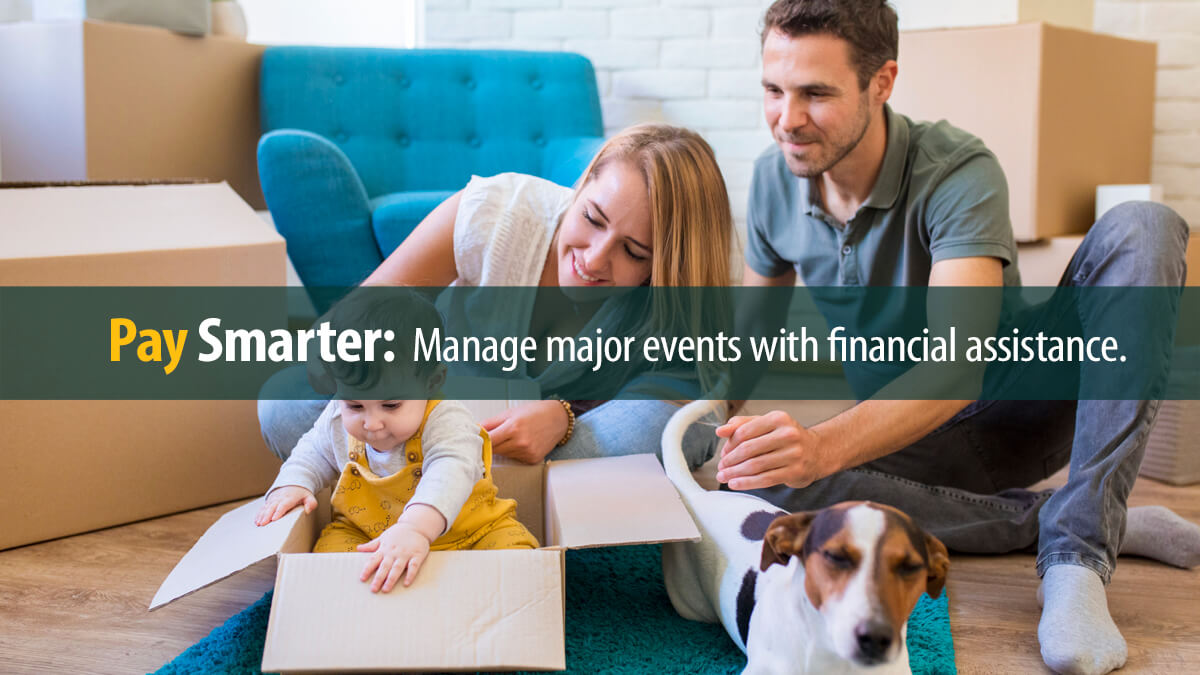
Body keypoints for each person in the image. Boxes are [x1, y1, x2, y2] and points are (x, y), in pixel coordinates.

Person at [714, 2, 1200, 674]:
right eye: (774, 90)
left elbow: (956, 367)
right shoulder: (774, 180)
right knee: (761, 489)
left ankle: (1078, 554)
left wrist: (821, 443)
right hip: (905, 439)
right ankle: (1065, 517)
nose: (787, 119)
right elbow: (745, 341)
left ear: (882, 82)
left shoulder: (957, 169)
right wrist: (700, 431)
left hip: (1019, 400)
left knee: (1143, 226)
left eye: (816, 93)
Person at [259, 123, 734, 476]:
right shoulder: (497, 212)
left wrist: (564, 420)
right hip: (421, 406)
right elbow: (348, 325)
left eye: (634, 251)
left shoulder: (668, 302)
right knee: (284, 402)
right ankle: (473, 480)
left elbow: (700, 401)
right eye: (592, 217)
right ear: (583, 184)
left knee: (684, 426)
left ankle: (433, 483)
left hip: (549, 437)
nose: (594, 258)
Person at [256, 289, 538, 593]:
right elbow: (311, 452)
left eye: (391, 406)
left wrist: (414, 528)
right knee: (326, 562)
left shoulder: (447, 420)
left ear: (432, 382)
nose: (372, 423)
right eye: (355, 405)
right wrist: (294, 483)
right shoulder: (337, 419)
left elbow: (451, 472)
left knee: (519, 557)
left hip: (472, 532)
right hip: (367, 535)